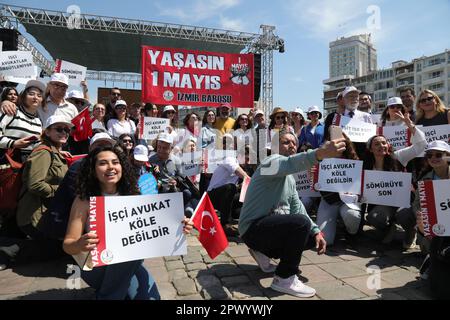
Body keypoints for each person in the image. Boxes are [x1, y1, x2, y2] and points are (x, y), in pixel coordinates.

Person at [63, 144, 194, 299]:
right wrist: (79, 244)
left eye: (115, 162)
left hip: (129, 262)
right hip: (95, 265)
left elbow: (153, 229)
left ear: (122, 167)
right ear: (92, 169)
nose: (110, 167)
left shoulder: (134, 196)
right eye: (103, 163)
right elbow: (68, 245)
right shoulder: (84, 201)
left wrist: (178, 226)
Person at [238, 128, 346, 298]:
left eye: (294, 143)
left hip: (268, 229)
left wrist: (317, 231)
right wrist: (320, 153)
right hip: (252, 229)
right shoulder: (269, 163)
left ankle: (263, 253)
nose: (291, 145)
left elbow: (297, 207)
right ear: (275, 146)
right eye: (286, 142)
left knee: (311, 237)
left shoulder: (290, 178)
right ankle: (284, 278)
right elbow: (290, 163)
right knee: (300, 223)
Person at [0, 115, 74, 270]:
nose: (64, 132)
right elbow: (35, 184)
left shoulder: (54, 152)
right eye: (59, 129)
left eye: (67, 129)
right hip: (35, 216)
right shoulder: (43, 152)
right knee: (62, 250)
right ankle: (13, 249)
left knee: (62, 248)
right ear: (46, 132)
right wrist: (61, 192)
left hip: (46, 214)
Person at [363, 113, 426, 248]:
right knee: (374, 217)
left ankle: (411, 231)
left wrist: (410, 125)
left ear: (388, 145)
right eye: (377, 144)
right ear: (370, 149)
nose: (381, 146)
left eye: (384, 143)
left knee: (404, 215)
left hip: (404, 201)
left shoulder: (397, 157)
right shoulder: (367, 166)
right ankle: (390, 228)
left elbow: (420, 145)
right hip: (385, 203)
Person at [414, 141, 450, 298]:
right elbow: (417, 205)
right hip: (436, 230)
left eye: (438, 154)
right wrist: (422, 219)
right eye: (429, 155)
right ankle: (432, 259)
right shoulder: (424, 180)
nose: (433, 158)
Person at [315, 133, 362, 246]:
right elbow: (317, 187)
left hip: (348, 201)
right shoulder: (321, 159)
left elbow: (358, 186)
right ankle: (337, 224)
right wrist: (314, 176)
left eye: (340, 142)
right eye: (333, 142)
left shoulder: (353, 159)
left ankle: (351, 233)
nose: (337, 145)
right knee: (326, 241)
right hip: (329, 200)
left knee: (351, 215)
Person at [208, 135, 249, 236]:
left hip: (224, 197)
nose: (247, 162)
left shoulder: (241, 165)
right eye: (246, 158)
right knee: (231, 187)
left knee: (242, 193)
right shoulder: (229, 158)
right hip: (212, 197)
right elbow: (242, 175)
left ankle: (237, 216)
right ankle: (225, 224)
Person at [0, 80, 45, 163]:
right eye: (31, 94)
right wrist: (13, 143)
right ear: (23, 97)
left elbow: (36, 145)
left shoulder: (38, 121)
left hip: (27, 166)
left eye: (39, 95)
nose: (35, 97)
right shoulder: (11, 111)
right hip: (6, 164)